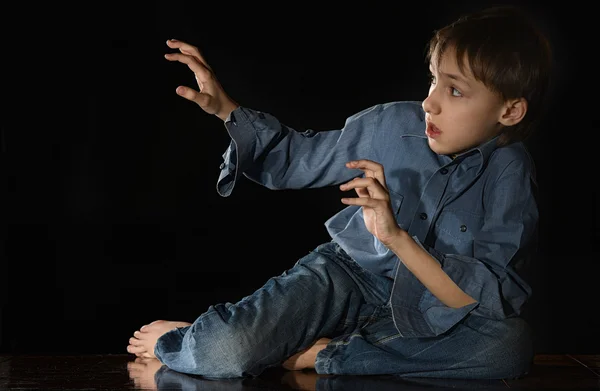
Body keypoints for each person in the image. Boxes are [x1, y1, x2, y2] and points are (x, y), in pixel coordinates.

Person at [127, 4, 553, 380]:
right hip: (346, 275)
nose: (430, 103)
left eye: (455, 91)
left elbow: (478, 301)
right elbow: (295, 158)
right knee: (224, 350)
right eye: (434, 81)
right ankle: (194, 336)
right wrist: (225, 110)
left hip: (428, 308)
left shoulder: (511, 174)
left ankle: (325, 354)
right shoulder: (390, 124)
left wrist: (396, 238)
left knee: (506, 346)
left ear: (510, 110)